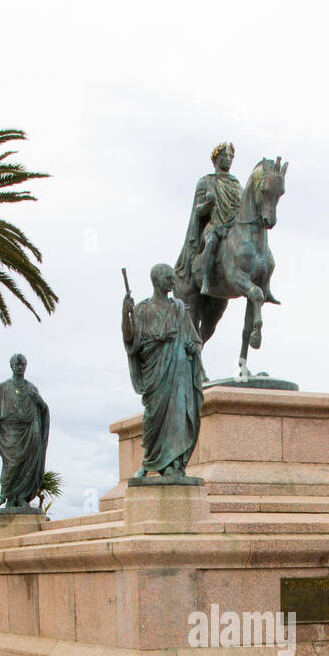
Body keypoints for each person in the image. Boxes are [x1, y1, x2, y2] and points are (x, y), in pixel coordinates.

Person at [122, 264, 204, 477]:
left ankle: (173, 464)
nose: (172, 282)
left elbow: (195, 340)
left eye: (172, 278)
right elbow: (132, 341)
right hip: (154, 374)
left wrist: (192, 347)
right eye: (168, 278)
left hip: (177, 374)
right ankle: (150, 461)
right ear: (157, 281)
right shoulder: (141, 310)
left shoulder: (178, 308)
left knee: (176, 417)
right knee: (152, 417)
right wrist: (125, 314)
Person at [0, 353, 49, 508]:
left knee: (29, 465)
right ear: (11, 366)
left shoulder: (32, 388)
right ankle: (3, 495)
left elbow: (43, 409)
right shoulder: (2, 388)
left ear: (26, 366)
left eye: (22, 364)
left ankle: (22, 497)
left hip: (31, 431)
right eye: (16, 364)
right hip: (10, 432)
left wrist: (41, 402)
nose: (19, 367)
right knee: (11, 464)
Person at [175, 141, 242, 296]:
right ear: (216, 158)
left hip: (232, 227)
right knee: (211, 241)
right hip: (215, 225)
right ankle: (205, 278)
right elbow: (198, 210)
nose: (228, 158)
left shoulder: (237, 185)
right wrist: (209, 203)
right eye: (224, 155)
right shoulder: (205, 182)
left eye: (231, 156)